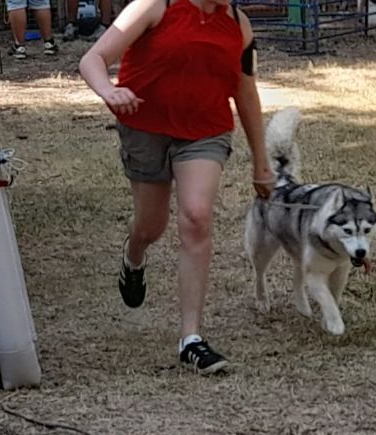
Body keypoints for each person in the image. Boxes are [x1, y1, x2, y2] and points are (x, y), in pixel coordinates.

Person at [79, 0, 274, 373]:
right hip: (145, 126)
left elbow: (245, 93)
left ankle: (191, 339)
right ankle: (134, 254)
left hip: (205, 131)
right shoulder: (155, 6)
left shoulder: (238, 25)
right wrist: (109, 91)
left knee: (197, 217)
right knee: (151, 226)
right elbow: (93, 59)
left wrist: (261, 163)